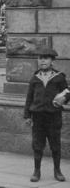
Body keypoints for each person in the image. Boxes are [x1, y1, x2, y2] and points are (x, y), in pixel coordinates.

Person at [24, 46, 69, 182]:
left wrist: (64, 99)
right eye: (40, 58)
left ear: (52, 61)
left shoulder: (59, 77)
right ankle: (37, 171)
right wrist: (27, 115)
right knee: (37, 145)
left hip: (53, 116)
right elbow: (29, 98)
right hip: (37, 117)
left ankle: (57, 171)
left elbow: (67, 92)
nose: (42, 61)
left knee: (55, 145)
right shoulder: (35, 77)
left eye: (46, 58)